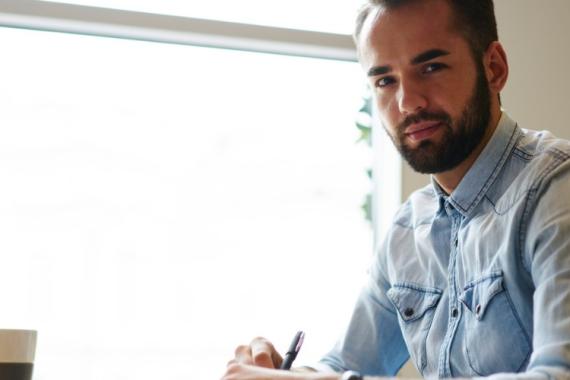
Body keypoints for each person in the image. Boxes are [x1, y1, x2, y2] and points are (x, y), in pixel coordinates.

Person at [220, 0, 570, 379]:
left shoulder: (556, 189)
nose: (407, 103)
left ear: (494, 68)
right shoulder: (408, 229)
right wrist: (280, 373)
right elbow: (344, 365)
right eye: (385, 80)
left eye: (431, 67)